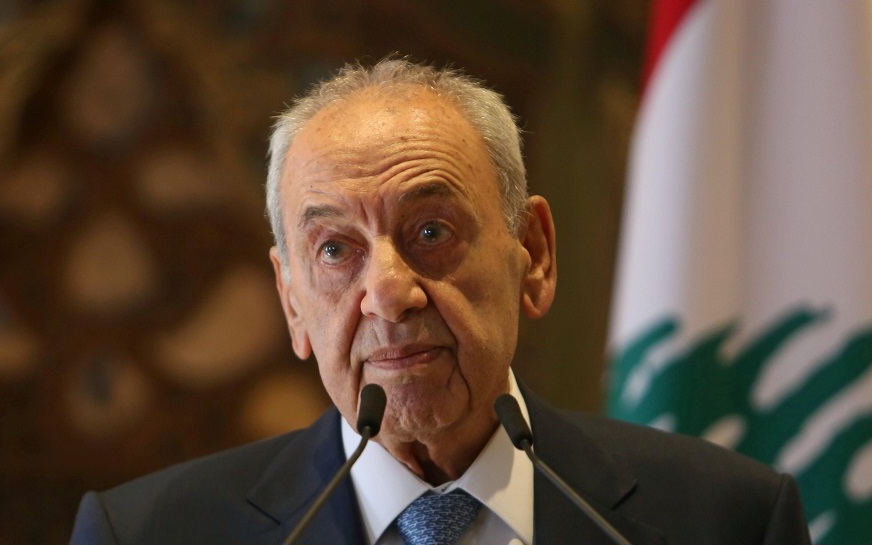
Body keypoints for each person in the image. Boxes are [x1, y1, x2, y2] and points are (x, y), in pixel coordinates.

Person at [70, 58, 812, 545]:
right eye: (335, 251)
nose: (389, 294)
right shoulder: (147, 535)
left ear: (534, 254)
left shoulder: (726, 521)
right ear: (291, 302)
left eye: (431, 231)